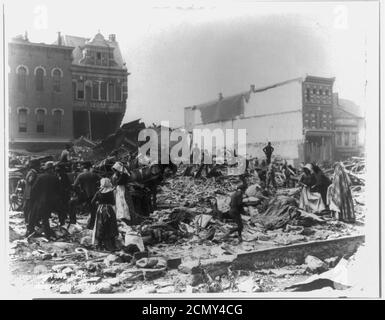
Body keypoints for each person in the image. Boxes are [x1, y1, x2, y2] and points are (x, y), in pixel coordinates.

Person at [27, 161, 65, 239]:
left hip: (42, 200)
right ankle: (49, 232)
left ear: (46, 169)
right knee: (46, 217)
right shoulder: (55, 177)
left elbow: (34, 189)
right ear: (52, 169)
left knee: (42, 217)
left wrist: (34, 198)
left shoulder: (40, 177)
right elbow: (59, 190)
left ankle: (45, 234)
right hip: (53, 201)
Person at [91, 178, 119, 251]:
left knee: (100, 227)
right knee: (111, 227)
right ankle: (113, 245)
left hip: (100, 210)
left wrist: (98, 203)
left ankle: (100, 245)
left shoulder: (98, 192)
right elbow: (113, 202)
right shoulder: (110, 192)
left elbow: (92, 202)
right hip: (109, 210)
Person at [72, 161, 100, 228]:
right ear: (89, 167)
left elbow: (74, 186)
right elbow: (102, 181)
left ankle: (73, 221)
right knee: (93, 211)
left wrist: (78, 193)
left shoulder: (80, 175)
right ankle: (91, 226)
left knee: (71, 203)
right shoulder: (94, 175)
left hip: (84, 195)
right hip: (93, 195)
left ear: (83, 167)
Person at [23, 159, 39, 225]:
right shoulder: (33, 173)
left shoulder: (30, 172)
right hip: (31, 193)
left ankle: (29, 222)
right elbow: (30, 181)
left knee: (27, 208)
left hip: (28, 193)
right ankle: (30, 222)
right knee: (30, 209)